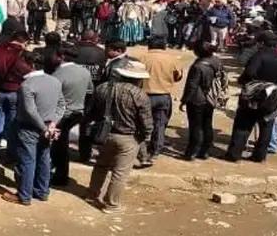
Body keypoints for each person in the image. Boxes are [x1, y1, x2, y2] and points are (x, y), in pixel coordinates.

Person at [85, 61, 152, 214]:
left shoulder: (103, 88)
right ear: (139, 78)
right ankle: (111, 204)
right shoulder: (140, 95)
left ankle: (92, 193)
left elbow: (92, 112)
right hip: (128, 137)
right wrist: (145, 137)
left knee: (100, 166)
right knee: (120, 173)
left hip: (104, 134)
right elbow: (146, 122)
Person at [2, 54, 65, 206]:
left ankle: (24, 195)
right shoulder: (55, 81)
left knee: (27, 161)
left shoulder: (27, 85)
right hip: (48, 126)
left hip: (29, 127)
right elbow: (62, 104)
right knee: (44, 158)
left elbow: (30, 111)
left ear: (30, 64)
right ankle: (42, 191)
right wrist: (52, 124)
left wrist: (45, 128)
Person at [225, 31, 277, 163]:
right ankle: (259, 156)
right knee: (266, 126)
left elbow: (249, 73)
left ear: (261, 43)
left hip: (255, 95)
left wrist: (243, 81)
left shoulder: (258, 56)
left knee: (243, 124)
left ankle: (234, 154)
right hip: (273, 96)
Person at [0, 28, 33, 161]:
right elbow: (29, 74)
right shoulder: (20, 56)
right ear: (23, 41)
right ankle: (11, 154)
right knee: (12, 124)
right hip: (14, 92)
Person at [47, 48, 93, 186]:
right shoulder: (85, 71)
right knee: (61, 144)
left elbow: (51, 97)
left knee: (59, 146)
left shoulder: (58, 74)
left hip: (62, 115)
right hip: (78, 112)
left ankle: (61, 176)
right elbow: (90, 92)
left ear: (61, 57)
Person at [136, 36, 183, 165]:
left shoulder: (141, 58)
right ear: (164, 46)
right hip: (163, 95)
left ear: (149, 45)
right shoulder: (172, 59)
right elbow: (178, 77)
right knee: (160, 125)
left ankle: (142, 153)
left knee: (140, 125)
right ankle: (155, 152)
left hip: (143, 95)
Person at [180, 42, 221, 160]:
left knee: (195, 127)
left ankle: (191, 152)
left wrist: (184, 100)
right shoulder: (216, 61)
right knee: (207, 125)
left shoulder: (198, 66)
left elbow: (192, 85)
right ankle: (205, 151)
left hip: (197, 99)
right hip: (211, 98)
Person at [74, 30, 107, 161]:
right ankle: (85, 153)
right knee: (86, 124)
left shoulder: (72, 50)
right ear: (94, 39)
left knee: (64, 123)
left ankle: (60, 150)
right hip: (92, 93)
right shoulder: (101, 53)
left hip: (72, 91)